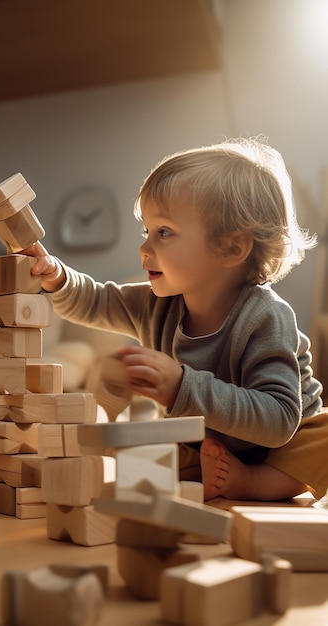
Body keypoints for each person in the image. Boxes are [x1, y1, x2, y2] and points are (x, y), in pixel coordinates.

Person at [24, 137, 328, 502]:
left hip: (285, 440)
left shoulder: (266, 316)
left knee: (322, 437)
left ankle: (252, 483)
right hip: (206, 438)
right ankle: (215, 472)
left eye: (164, 232)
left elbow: (278, 420)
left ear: (231, 248)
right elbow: (95, 301)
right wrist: (56, 276)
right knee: (143, 447)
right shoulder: (156, 303)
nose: (144, 248)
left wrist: (182, 387)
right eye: (147, 232)